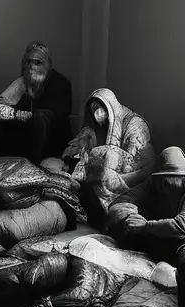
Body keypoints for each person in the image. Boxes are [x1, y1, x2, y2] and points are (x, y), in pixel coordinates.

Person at [58, 87, 155, 226]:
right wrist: (78, 153)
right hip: (107, 170)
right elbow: (75, 148)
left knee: (108, 156)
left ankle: (105, 211)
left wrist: (94, 158)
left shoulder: (135, 124)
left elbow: (133, 160)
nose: (97, 112)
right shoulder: (98, 126)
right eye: (93, 108)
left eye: (100, 106)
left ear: (110, 106)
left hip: (134, 173)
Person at [106, 146, 185, 263]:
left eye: (169, 180)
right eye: (163, 180)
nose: (163, 186)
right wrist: (130, 216)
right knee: (120, 230)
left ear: (183, 177)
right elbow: (121, 201)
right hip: (164, 232)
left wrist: (145, 226)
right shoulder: (157, 180)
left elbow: (184, 227)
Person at [0, 42, 72, 164]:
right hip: (24, 134)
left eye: (37, 62)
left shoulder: (61, 83)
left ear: (47, 66)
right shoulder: (22, 82)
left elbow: (58, 113)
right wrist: (14, 113)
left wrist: (28, 114)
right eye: (28, 62)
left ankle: (33, 164)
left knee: (41, 116)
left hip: (52, 139)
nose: (31, 66)